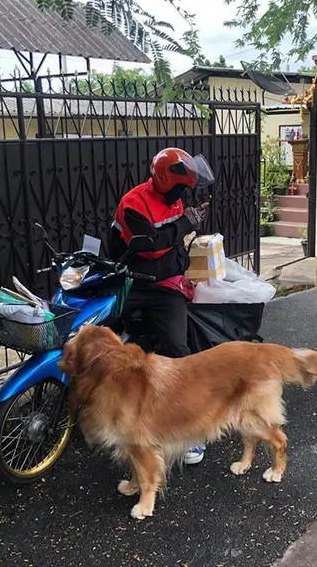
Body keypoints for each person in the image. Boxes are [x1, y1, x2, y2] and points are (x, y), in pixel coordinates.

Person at [108, 147, 214, 465]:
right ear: (165, 180)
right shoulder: (134, 203)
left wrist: (184, 225)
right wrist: (184, 224)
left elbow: (171, 238)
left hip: (165, 287)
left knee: (176, 349)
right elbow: (150, 247)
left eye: (186, 189)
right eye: (181, 188)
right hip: (132, 282)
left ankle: (191, 430)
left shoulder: (174, 198)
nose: (184, 195)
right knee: (102, 339)